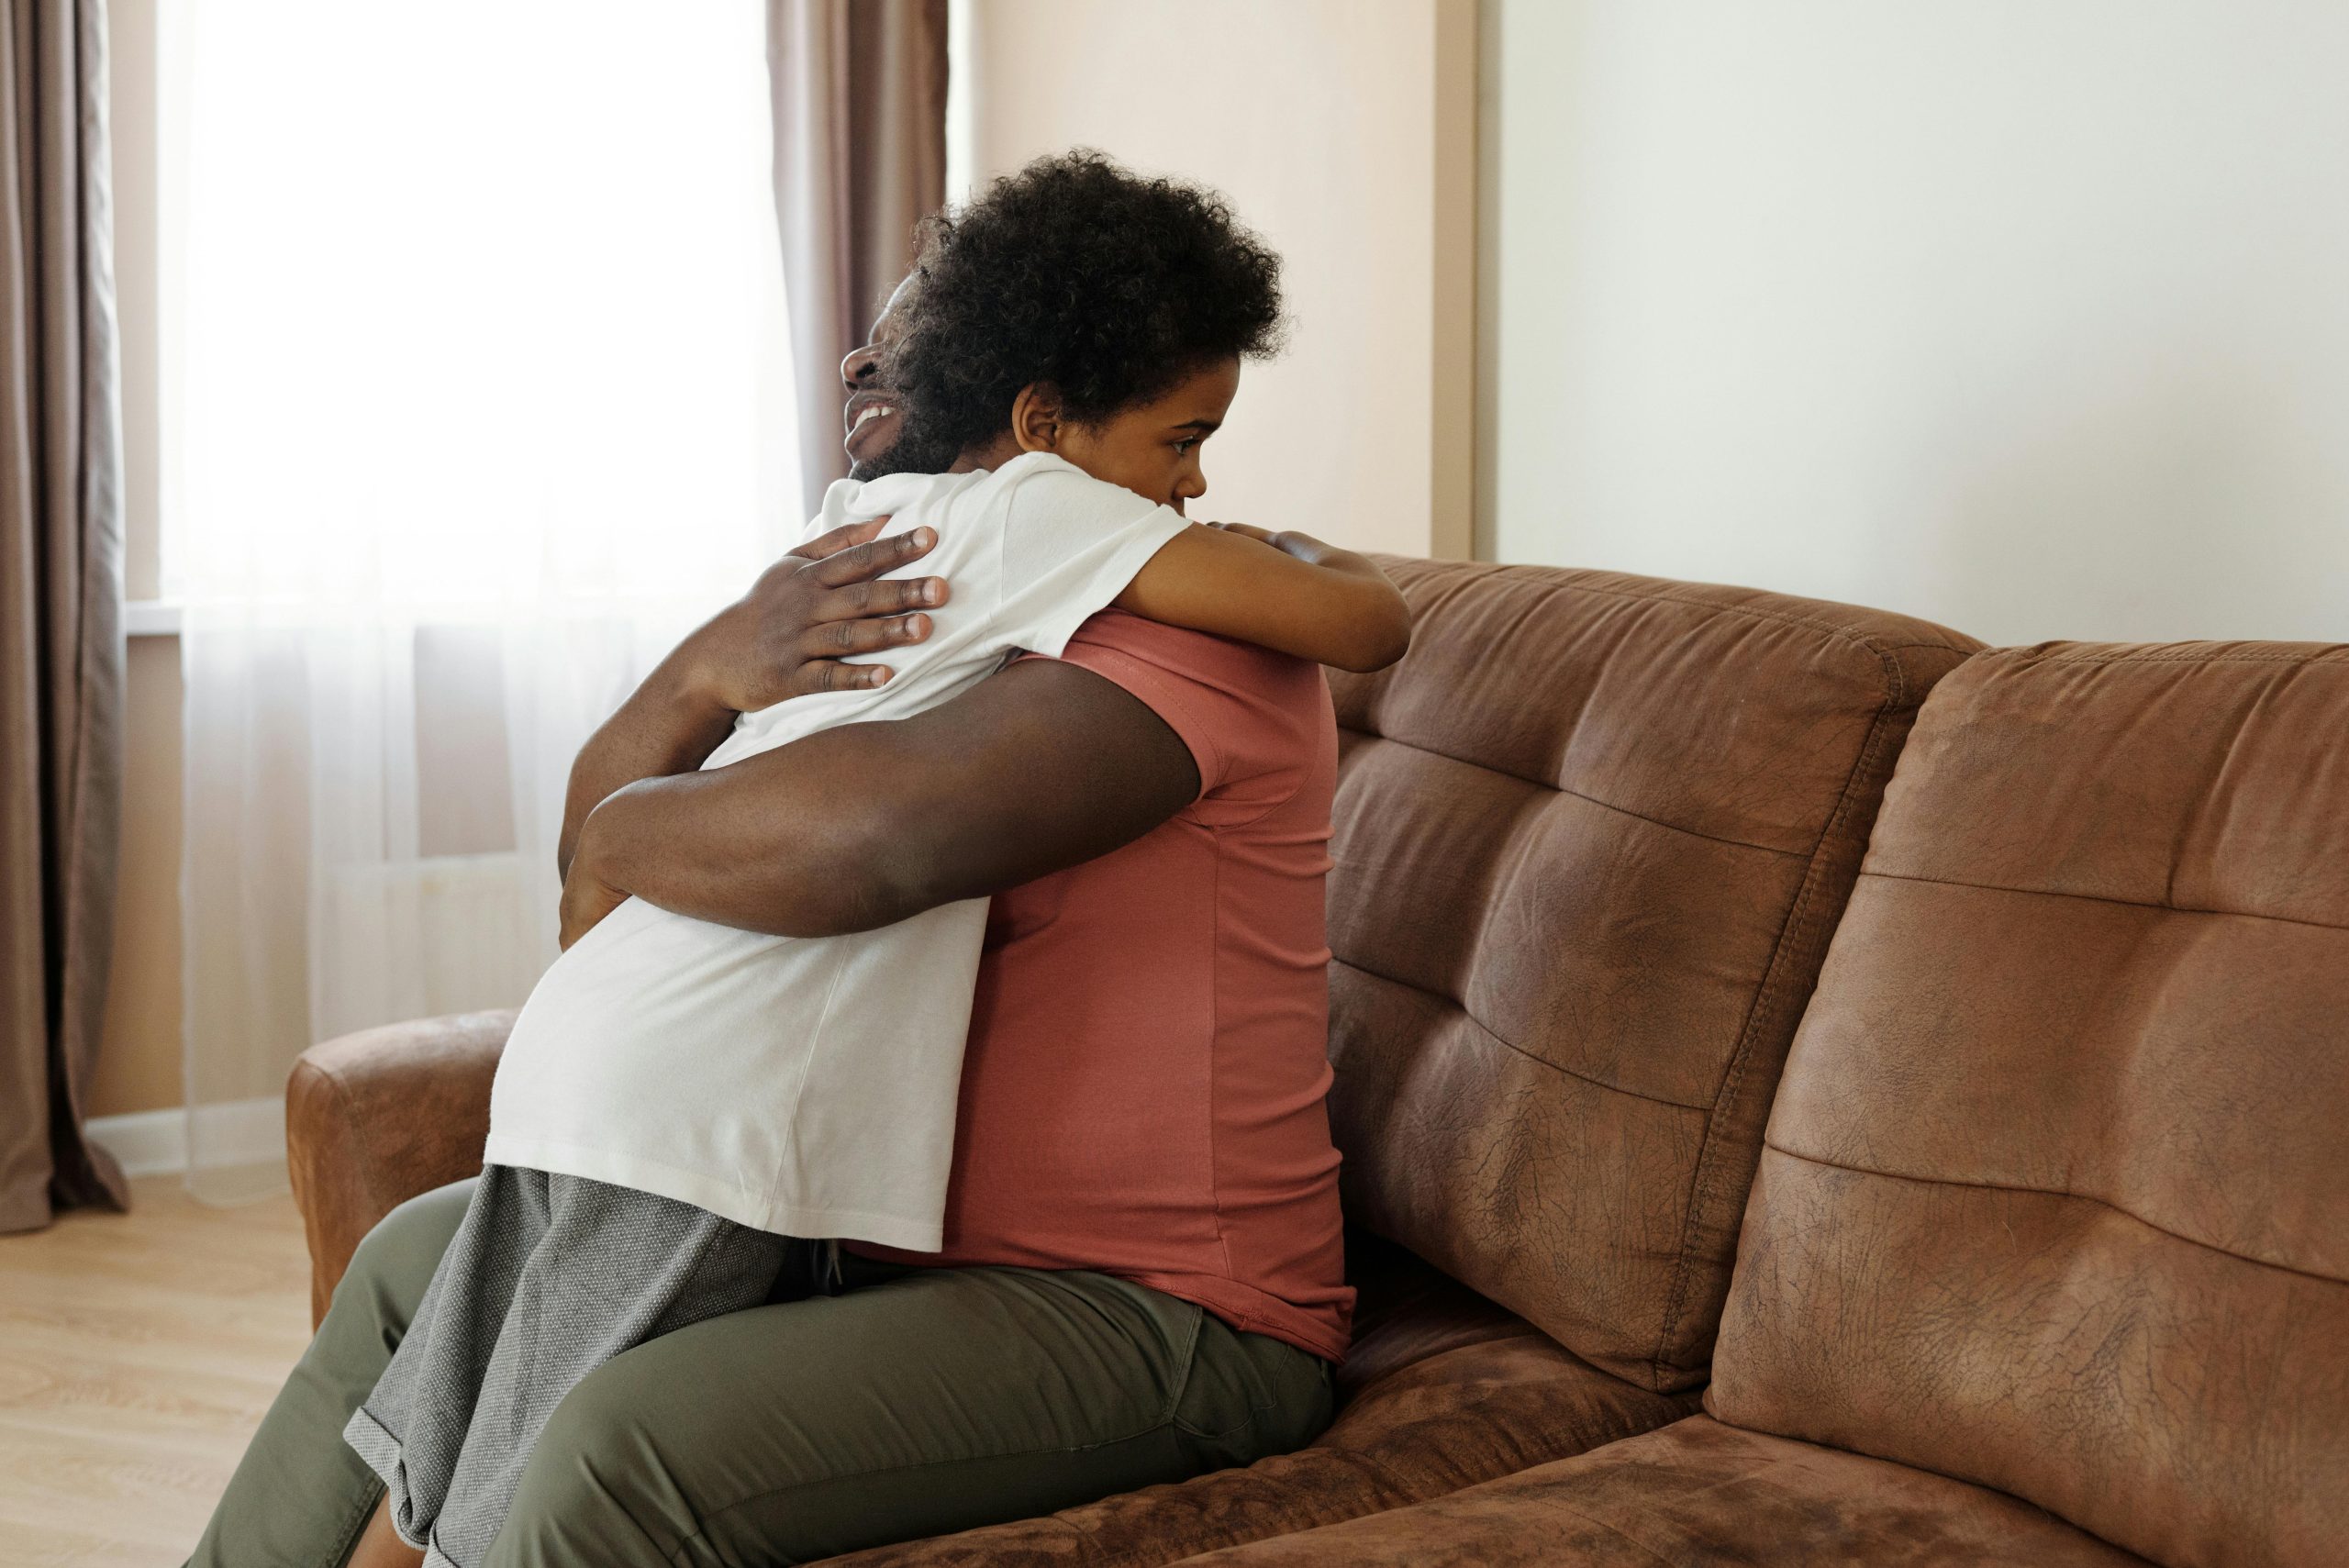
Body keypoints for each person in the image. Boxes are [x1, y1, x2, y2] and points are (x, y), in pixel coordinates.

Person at [189, 151, 1375, 1568]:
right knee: (408, 1266)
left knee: (612, 1448)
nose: (857, 357)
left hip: (1163, 1305)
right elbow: (620, 857)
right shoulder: (911, 581)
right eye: (1182, 438)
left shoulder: (1193, 640)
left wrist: (634, 835)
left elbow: (865, 838)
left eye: (906, 333)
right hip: (864, 1234)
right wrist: (707, 663)